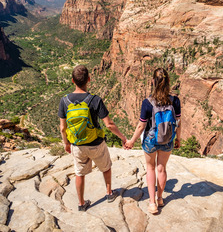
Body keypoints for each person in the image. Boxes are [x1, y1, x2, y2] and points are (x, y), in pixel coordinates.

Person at [58, 65, 127, 211]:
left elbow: (63, 128)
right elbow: (109, 124)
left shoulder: (64, 101)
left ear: (72, 81)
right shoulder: (95, 100)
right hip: (96, 143)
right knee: (106, 167)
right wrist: (123, 137)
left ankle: (81, 204)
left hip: (77, 144)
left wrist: (66, 143)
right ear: (89, 79)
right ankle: (109, 193)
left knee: (79, 173)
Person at [125, 68, 181, 214]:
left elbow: (141, 125)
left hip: (151, 139)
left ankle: (152, 203)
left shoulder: (147, 102)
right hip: (167, 138)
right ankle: (160, 198)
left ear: (152, 82)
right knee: (161, 168)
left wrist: (131, 141)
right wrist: (178, 138)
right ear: (168, 82)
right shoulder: (175, 100)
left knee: (150, 169)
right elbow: (178, 122)